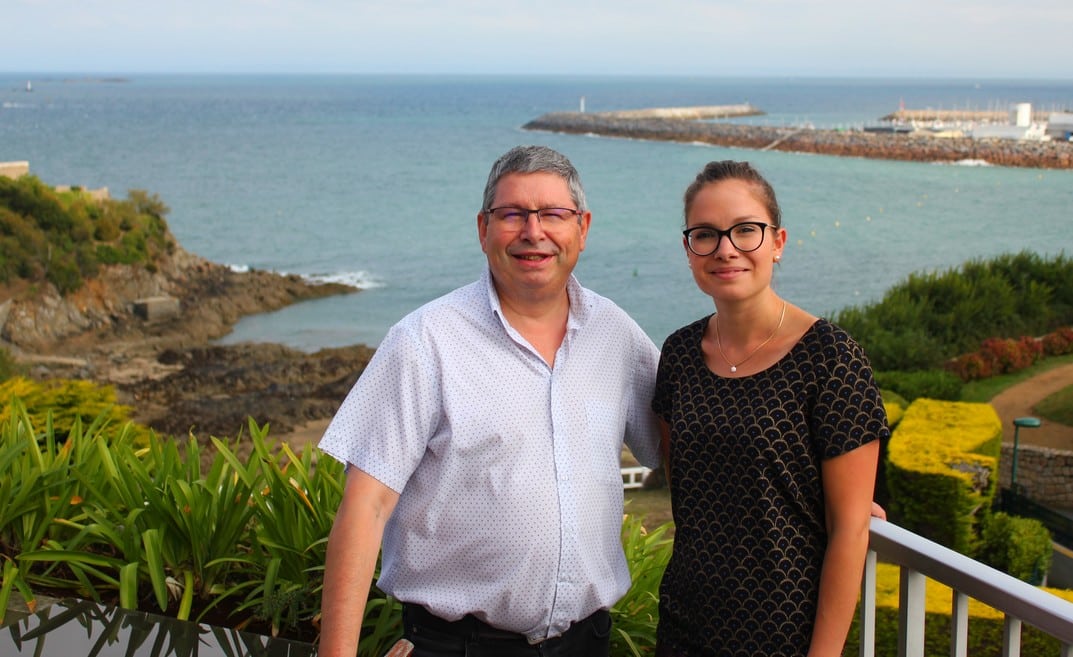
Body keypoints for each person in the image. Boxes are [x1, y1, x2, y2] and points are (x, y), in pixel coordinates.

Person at [317, 145, 662, 657]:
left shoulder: (616, 335)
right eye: (513, 214)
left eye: (553, 214)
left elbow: (685, 451)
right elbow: (365, 508)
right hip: (456, 647)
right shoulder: (424, 341)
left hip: (585, 645)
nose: (533, 231)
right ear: (483, 229)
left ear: (582, 229)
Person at [652, 160, 889, 657]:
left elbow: (850, 531)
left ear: (777, 242)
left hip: (785, 632)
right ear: (689, 249)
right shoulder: (678, 354)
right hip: (686, 625)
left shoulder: (831, 358)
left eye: (746, 231)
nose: (725, 249)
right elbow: (686, 488)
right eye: (706, 235)